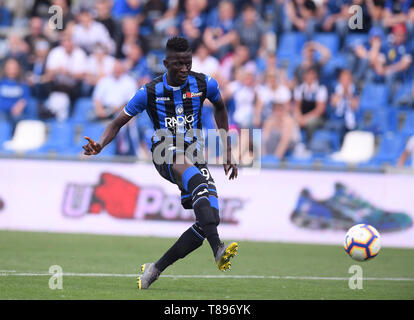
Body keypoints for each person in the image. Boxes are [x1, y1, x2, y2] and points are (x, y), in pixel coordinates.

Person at [82, 37, 239, 290]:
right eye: (178, 64)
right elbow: (116, 123)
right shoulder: (149, 91)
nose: (184, 69)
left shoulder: (204, 83)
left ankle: (155, 269)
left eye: (188, 63)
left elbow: (220, 108)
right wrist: (100, 144)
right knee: (197, 182)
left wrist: (228, 150)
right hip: (165, 150)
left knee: (209, 218)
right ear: (166, 63)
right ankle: (218, 249)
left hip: (195, 154)